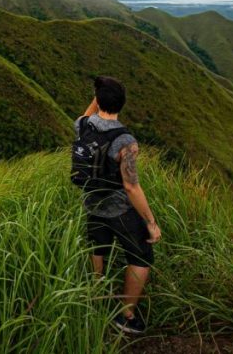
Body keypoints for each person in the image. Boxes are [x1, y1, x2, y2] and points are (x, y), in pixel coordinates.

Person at [76, 76, 161, 335]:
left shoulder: (82, 126)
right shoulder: (126, 141)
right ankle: (126, 315)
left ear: (98, 100)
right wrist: (151, 222)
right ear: (122, 104)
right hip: (118, 209)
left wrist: (98, 93)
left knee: (98, 247)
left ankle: (96, 297)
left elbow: (87, 113)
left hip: (91, 202)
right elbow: (131, 186)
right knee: (141, 256)